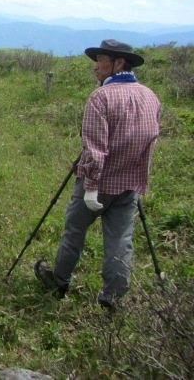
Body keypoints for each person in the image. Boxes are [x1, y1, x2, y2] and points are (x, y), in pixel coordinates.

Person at [35, 39, 161, 310]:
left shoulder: (100, 97)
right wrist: (140, 180)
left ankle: (59, 280)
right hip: (129, 186)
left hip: (97, 184)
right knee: (120, 241)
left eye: (101, 60)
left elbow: (95, 147)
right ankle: (112, 299)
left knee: (75, 231)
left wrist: (90, 186)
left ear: (118, 63)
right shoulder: (151, 96)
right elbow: (150, 141)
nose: (96, 67)